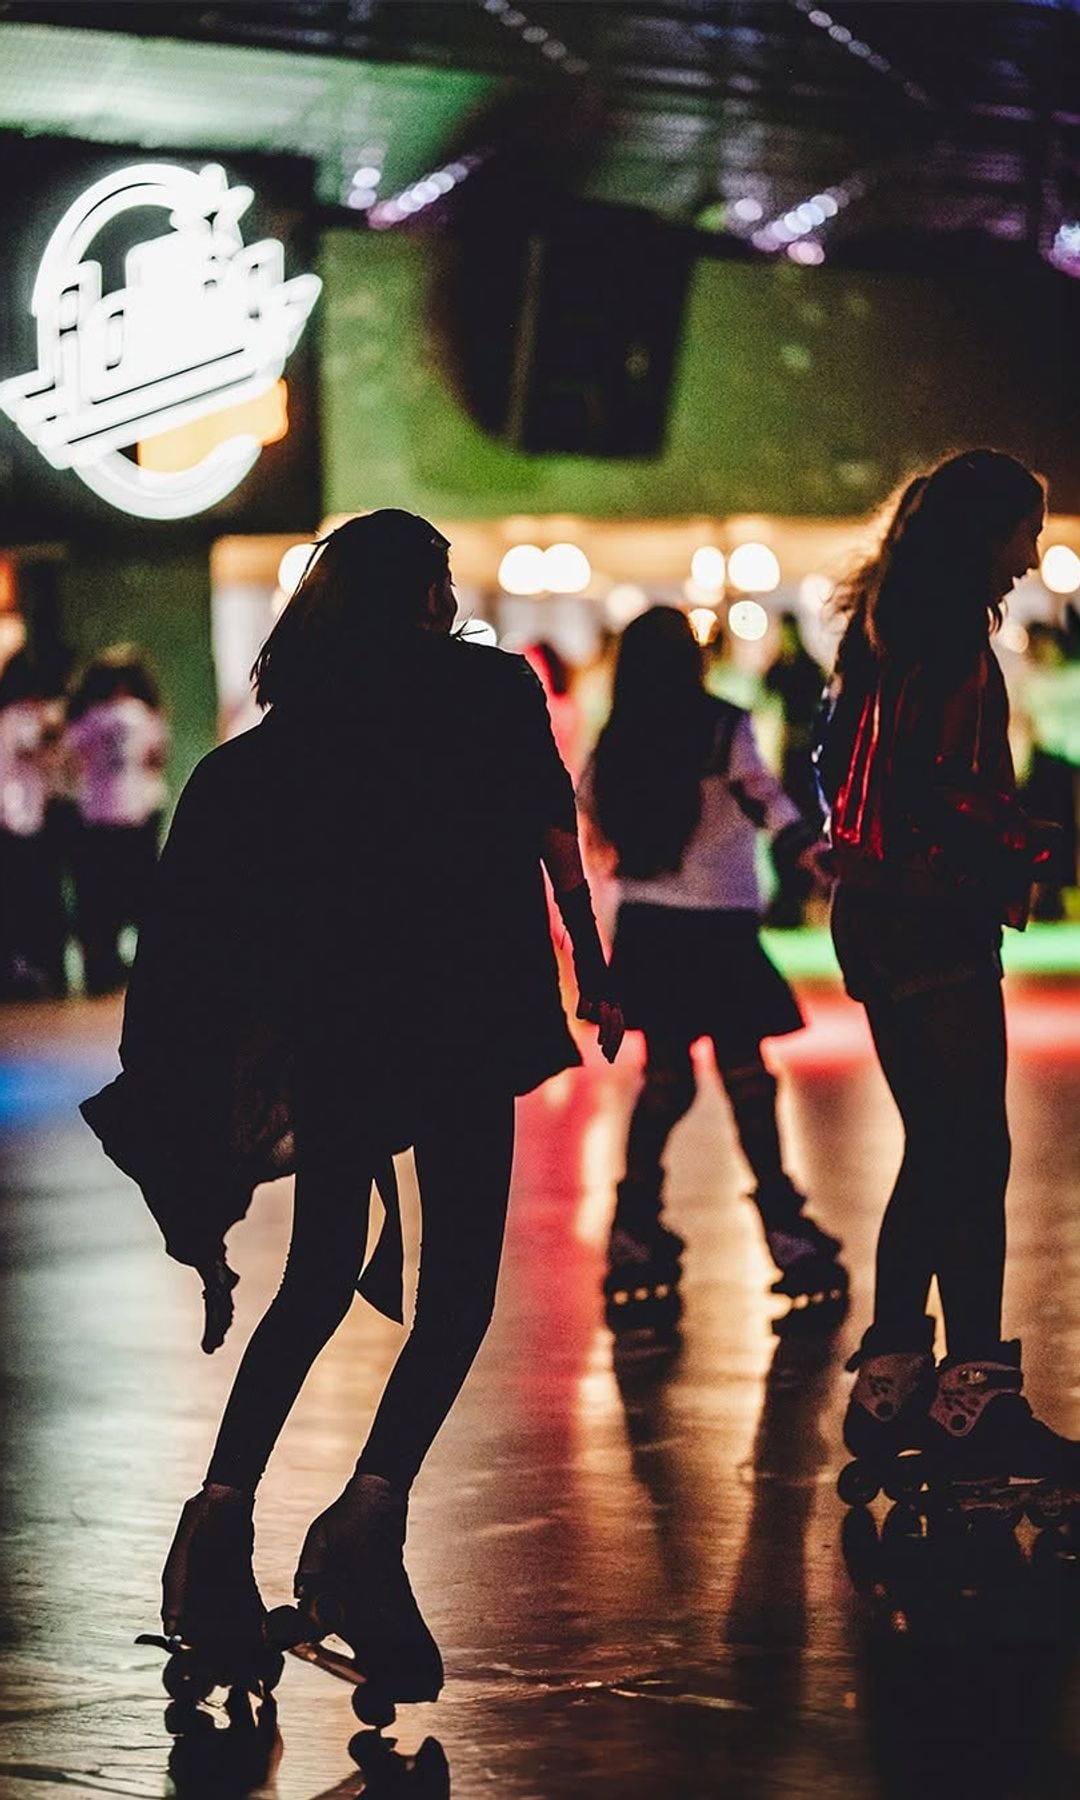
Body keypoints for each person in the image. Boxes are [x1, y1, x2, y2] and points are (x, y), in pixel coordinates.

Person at [81, 510, 623, 1714]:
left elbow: (222, 904)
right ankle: (362, 1531)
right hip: (470, 1020)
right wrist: (590, 967)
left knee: (318, 1277)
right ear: (431, 589)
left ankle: (214, 1534)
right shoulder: (492, 690)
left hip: (344, 1034)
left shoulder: (295, 728)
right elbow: (553, 840)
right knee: (459, 1296)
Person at [817, 449, 1080, 1497]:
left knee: (944, 1144)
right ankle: (975, 1400)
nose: (1036, 552)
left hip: (880, 915)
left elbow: (847, 778)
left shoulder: (882, 629)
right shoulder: (947, 639)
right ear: (982, 533)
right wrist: (1029, 845)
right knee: (974, 1147)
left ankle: (893, 1376)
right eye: (1027, 529)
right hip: (928, 917)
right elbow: (926, 795)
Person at [577, 605, 845, 1342]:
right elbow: (764, 796)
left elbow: (587, 807)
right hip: (719, 925)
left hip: (651, 925)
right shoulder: (722, 724)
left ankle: (634, 1227)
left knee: (665, 1079)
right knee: (747, 1079)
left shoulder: (617, 733)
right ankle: (787, 1233)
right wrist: (809, 853)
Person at [64, 645, 169, 995]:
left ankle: (102, 970)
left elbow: (70, 758)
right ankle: (153, 970)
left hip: (97, 815)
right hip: (138, 811)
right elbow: (157, 758)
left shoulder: (88, 718)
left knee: (99, 901)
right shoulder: (144, 715)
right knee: (144, 898)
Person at [0, 650, 67, 999]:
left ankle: (25, 970)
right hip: (22, 818)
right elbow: (35, 747)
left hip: (22, 815)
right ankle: (29, 971)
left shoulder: (9, 717)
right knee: (29, 900)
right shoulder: (21, 717)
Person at [762, 612, 827, 926]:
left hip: (802, 756)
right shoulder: (787, 668)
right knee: (795, 814)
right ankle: (794, 896)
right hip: (792, 754)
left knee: (802, 815)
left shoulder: (805, 669)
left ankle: (802, 894)